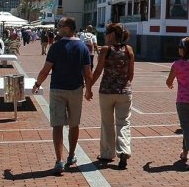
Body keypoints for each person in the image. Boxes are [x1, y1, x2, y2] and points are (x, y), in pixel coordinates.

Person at [32, 17, 93, 174]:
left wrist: (38, 84)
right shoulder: (83, 47)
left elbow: (46, 70)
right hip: (76, 89)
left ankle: (59, 160)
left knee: (57, 125)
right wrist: (89, 89)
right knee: (74, 124)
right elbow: (87, 72)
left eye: (61, 26)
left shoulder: (56, 47)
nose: (58, 28)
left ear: (68, 28)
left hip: (58, 89)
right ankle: (71, 155)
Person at [87, 23, 134, 170]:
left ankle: (107, 153)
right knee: (123, 122)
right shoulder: (128, 49)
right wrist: (123, 84)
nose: (105, 35)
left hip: (106, 92)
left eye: (107, 33)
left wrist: (89, 87)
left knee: (107, 123)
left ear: (112, 34)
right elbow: (131, 74)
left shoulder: (106, 50)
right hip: (124, 92)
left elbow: (98, 71)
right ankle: (124, 151)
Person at [166, 37, 189, 170]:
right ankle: (185, 152)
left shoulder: (177, 64)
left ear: (183, 49)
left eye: (180, 47)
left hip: (183, 100)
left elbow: (169, 81)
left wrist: (171, 84)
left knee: (187, 127)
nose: (178, 50)